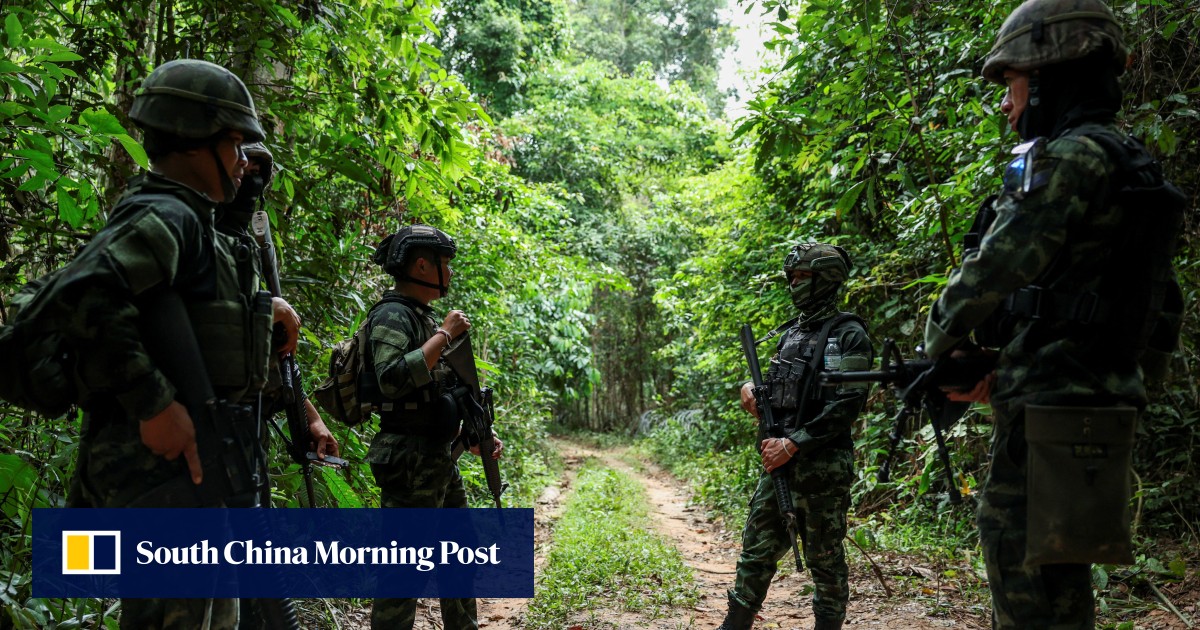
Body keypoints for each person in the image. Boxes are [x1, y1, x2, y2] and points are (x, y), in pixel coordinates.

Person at [923, 1, 1185, 627]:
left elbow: (996, 266)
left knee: (1021, 566)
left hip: (1048, 408)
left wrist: (939, 342)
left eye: (1012, 84)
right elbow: (1159, 298)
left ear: (1045, 78)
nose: (1007, 104)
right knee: (1061, 569)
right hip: (1098, 400)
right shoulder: (1131, 162)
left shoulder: (1067, 158)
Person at [61, 58, 291, 628]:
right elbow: (89, 297)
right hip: (157, 475)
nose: (243, 162)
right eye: (234, 146)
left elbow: (183, 308)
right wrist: (155, 404)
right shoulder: (163, 211)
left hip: (195, 469)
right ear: (194, 143)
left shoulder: (193, 220)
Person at [719, 243, 873, 630]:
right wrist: (750, 390)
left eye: (803, 277)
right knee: (756, 550)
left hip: (822, 467)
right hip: (778, 463)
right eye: (792, 277)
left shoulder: (849, 334)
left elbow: (847, 404)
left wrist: (794, 443)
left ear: (828, 279)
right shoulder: (791, 333)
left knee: (825, 559)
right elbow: (779, 388)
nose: (795, 284)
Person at [365, 224, 503, 630]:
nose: (451, 272)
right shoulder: (392, 315)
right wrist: (445, 334)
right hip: (409, 460)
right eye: (445, 263)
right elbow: (391, 378)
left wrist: (475, 433)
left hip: (438, 457)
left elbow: (441, 392)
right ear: (422, 266)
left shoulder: (421, 318)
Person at [215, 140, 341, 499]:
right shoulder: (190, 236)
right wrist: (263, 308)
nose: (251, 179)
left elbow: (274, 355)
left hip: (247, 430)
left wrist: (310, 417)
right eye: (244, 169)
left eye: (259, 172)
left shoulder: (248, 248)